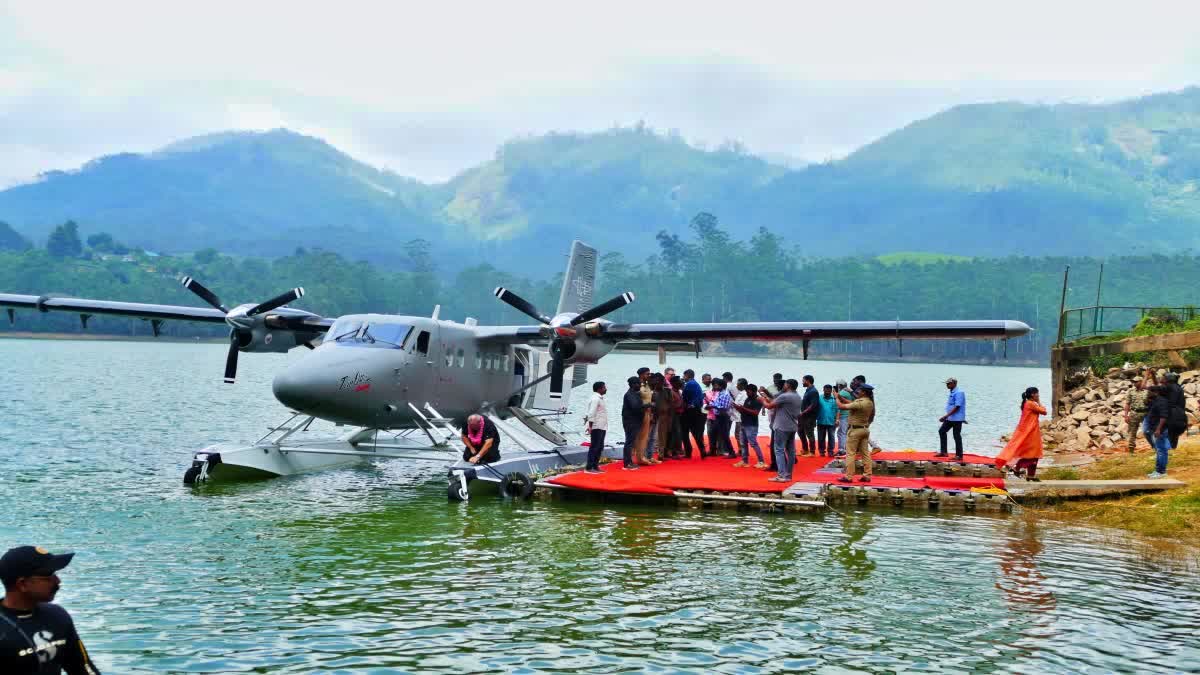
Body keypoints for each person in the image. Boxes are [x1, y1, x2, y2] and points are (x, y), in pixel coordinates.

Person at [0, 545, 100, 674]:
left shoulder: (57, 616)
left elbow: (84, 669)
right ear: (22, 584)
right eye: (48, 575)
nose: (57, 581)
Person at [994, 387, 1047, 480]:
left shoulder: (1027, 403)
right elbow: (1044, 411)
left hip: (1031, 431)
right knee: (1033, 454)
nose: (1038, 395)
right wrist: (1039, 402)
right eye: (1037, 394)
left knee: (1032, 453)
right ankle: (1017, 468)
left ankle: (1029, 474)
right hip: (1030, 432)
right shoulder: (1031, 404)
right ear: (1032, 395)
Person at [759, 379, 803, 482]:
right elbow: (776, 403)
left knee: (779, 450)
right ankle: (788, 475)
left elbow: (769, 406)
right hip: (792, 426)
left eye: (785, 384)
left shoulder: (785, 396)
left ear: (788, 385)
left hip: (782, 426)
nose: (783, 386)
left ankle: (781, 475)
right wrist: (766, 397)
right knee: (791, 451)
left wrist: (762, 400)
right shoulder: (797, 396)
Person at [836, 384, 875, 482]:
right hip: (865, 430)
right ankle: (867, 475)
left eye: (860, 391)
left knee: (850, 453)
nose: (858, 392)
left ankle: (848, 476)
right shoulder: (869, 402)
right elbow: (851, 403)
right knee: (865, 453)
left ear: (864, 392)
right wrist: (841, 397)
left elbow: (842, 406)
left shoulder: (860, 402)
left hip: (855, 431)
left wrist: (836, 398)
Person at [733, 383, 766, 467]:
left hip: (751, 425)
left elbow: (755, 412)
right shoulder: (748, 399)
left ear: (754, 391)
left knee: (753, 443)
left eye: (749, 392)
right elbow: (744, 411)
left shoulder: (758, 400)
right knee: (743, 443)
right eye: (747, 391)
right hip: (744, 423)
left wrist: (743, 408)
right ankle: (745, 461)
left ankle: (761, 461)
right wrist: (737, 408)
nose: (747, 393)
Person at [620, 376, 646, 470]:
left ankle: (629, 461)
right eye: (638, 384)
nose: (639, 385)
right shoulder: (630, 394)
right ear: (632, 385)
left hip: (634, 421)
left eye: (639, 383)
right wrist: (647, 405)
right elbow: (635, 407)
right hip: (630, 421)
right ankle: (627, 463)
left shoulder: (635, 393)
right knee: (629, 442)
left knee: (631, 441)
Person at [1146, 386, 1173, 478]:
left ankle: (1161, 472)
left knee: (1161, 451)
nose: (1147, 393)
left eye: (1149, 391)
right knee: (1160, 450)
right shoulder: (1156, 400)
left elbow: (1163, 417)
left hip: (1159, 430)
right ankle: (1158, 470)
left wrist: (1158, 429)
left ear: (1155, 392)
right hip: (1155, 429)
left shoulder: (1162, 402)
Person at [938, 377, 966, 460]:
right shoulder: (952, 392)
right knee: (942, 431)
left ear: (954, 383)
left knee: (956, 435)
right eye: (947, 383)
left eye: (949, 383)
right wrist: (948, 416)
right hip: (951, 418)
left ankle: (959, 455)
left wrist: (945, 416)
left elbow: (957, 407)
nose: (947, 385)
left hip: (956, 419)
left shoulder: (959, 392)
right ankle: (944, 452)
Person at [583, 381, 608, 474]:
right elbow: (591, 413)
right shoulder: (595, 399)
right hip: (596, 426)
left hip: (602, 426)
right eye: (604, 387)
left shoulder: (600, 398)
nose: (606, 389)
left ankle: (595, 466)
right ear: (599, 389)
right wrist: (590, 426)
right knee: (594, 447)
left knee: (600, 447)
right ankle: (589, 467)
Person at [681, 369, 706, 458]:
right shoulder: (696, 384)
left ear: (687, 375)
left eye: (684, 376)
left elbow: (684, 397)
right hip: (697, 410)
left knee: (684, 432)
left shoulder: (689, 384)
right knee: (696, 432)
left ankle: (688, 451)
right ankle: (702, 449)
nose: (683, 378)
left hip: (689, 411)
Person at [706, 378, 734, 458]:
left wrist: (712, 406)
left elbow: (724, 407)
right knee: (713, 433)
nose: (714, 386)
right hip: (717, 416)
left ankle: (731, 452)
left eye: (716, 385)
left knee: (724, 435)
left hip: (722, 416)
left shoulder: (725, 394)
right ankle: (712, 451)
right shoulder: (720, 393)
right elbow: (716, 402)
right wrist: (710, 404)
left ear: (721, 386)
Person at [1124, 375, 1150, 454]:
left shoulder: (1147, 391)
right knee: (1132, 432)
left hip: (1146, 413)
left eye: (1136, 382)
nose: (1134, 383)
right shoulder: (1130, 391)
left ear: (1141, 381)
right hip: (1134, 413)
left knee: (1149, 431)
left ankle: (1155, 446)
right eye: (1133, 382)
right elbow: (1127, 404)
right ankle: (1131, 450)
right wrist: (1126, 415)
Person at [1163, 372, 1189, 449]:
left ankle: (1169, 450)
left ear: (1168, 379)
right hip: (1179, 414)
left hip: (1173, 414)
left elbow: (1171, 402)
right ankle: (1172, 448)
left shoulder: (1171, 388)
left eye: (1165, 378)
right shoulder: (1178, 387)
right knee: (1174, 434)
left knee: (1170, 433)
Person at [798, 375, 819, 456]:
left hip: (810, 416)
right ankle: (805, 449)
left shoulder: (813, 391)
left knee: (809, 433)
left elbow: (813, 405)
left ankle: (812, 451)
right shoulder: (808, 390)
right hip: (803, 416)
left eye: (803, 381)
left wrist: (803, 412)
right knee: (800, 431)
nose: (802, 382)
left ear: (808, 381)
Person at [816, 384, 838, 457]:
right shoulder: (819, 398)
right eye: (826, 389)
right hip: (821, 421)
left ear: (831, 390)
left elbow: (838, 410)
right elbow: (815, 408)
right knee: (821, 437)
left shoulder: (834, 399)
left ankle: (830, 451)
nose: (827, 391)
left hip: (831, 421)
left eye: (829, 390)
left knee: (831, 437)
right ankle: (821, 451)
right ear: (823, 389)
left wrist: (837, 420)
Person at [834, 379, 851, 456]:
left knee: (841, 433)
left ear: (839, 385)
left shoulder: (841, 393)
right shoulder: (849, 392)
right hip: (849, 415)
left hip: (843, 415)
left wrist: (837, 419)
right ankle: (847, 449)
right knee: (847, 433)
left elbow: (838, 405)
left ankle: (841, 449)